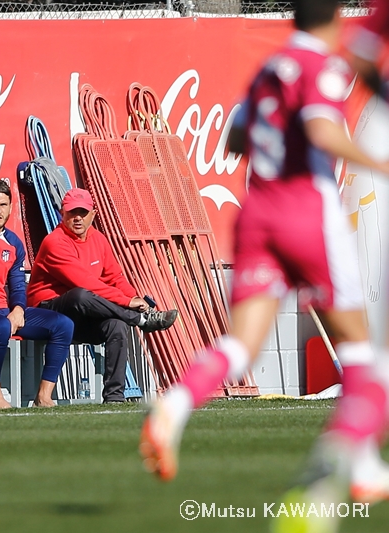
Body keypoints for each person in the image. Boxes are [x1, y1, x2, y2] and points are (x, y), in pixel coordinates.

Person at [139, 2, 389, 530]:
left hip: (257, 214)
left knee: (240, 345)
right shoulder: (323, 67)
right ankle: (337, 474)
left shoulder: (269, 69)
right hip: (306, 214)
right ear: (335, 19)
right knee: (364, 354)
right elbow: (321, 131)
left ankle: (175, 406)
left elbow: (234, 140)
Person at [27, 188, 178, 404]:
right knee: (80, 295)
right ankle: (140, 321)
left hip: (82, 313)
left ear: (93, 214)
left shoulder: (99, 239)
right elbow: (85, 283)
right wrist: (128, 304)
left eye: (83, 212)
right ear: (62, 213)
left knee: (117, 325)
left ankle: (114, 397)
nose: (77, 218)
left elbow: (114, 278)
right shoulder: (54, 242)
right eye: (72, 212)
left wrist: (137, 300)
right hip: (48, 311)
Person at [0, 179, 74, 408]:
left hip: (2, 309)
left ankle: (43, 396)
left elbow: (18, 286)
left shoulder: (14, 243)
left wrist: (18, 309)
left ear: (11, 207)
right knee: (0, 326)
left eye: (3, 205)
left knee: (63, 325)